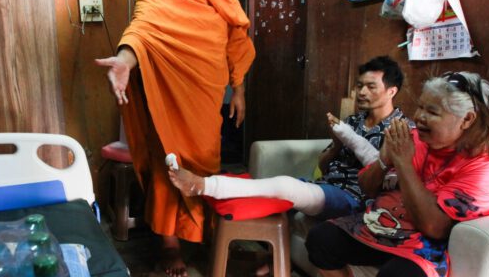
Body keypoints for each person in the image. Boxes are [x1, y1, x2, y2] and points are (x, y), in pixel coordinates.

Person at [305, 71, 489, 277]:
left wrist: (402, 163)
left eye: (432, 112)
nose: (419, 118)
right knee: (321, 239)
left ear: (467, 119)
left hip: (429, 241)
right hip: (387, 224)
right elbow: (370, 187)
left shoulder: (484, 164)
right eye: (420, 108)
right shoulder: (414, 137)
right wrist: (386, 159)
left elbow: (435, 228)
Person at [95, 0, 255, 277]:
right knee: (169, 162)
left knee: (203, 162)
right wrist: (124, 60)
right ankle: (168, 242)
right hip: (168, 94)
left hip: (206, 95)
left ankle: (200, 233)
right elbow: (143, 31)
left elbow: (236, 38)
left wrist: (240, 90)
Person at [169, 56, 405, 235]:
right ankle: (269, 254)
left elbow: (387, 180)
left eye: (371, 87)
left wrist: (351, 142)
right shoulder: (353, 121)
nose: (362, 92)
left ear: (391, 91)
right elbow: (323, 166)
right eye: (360, 85)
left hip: (354, 199)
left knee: (287, 188)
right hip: (327, 186)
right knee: (274, 195)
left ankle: (202, 185)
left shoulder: (400, 130)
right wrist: (334, 146)